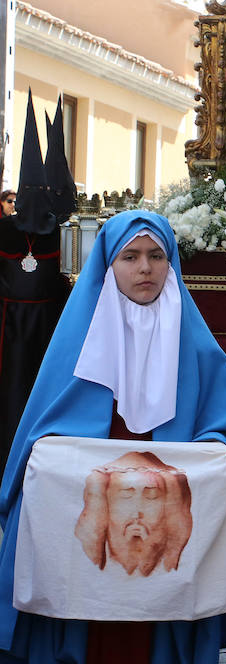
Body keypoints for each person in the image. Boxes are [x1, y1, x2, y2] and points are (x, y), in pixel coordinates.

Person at [0, 210, 226, 664]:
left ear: (172, 265)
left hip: (169, 562)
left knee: (165, 654)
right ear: (107, 266)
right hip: (93, 563)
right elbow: (40, 444)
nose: (145, 268)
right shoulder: (77, 349)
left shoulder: (198, 349)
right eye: (131, 257)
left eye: (157, 256)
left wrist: (206, 457)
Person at [0, 92, 73, 475]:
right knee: (10, 394)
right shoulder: (4, 231)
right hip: (8, 329)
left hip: (49, 326)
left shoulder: (65, 234)